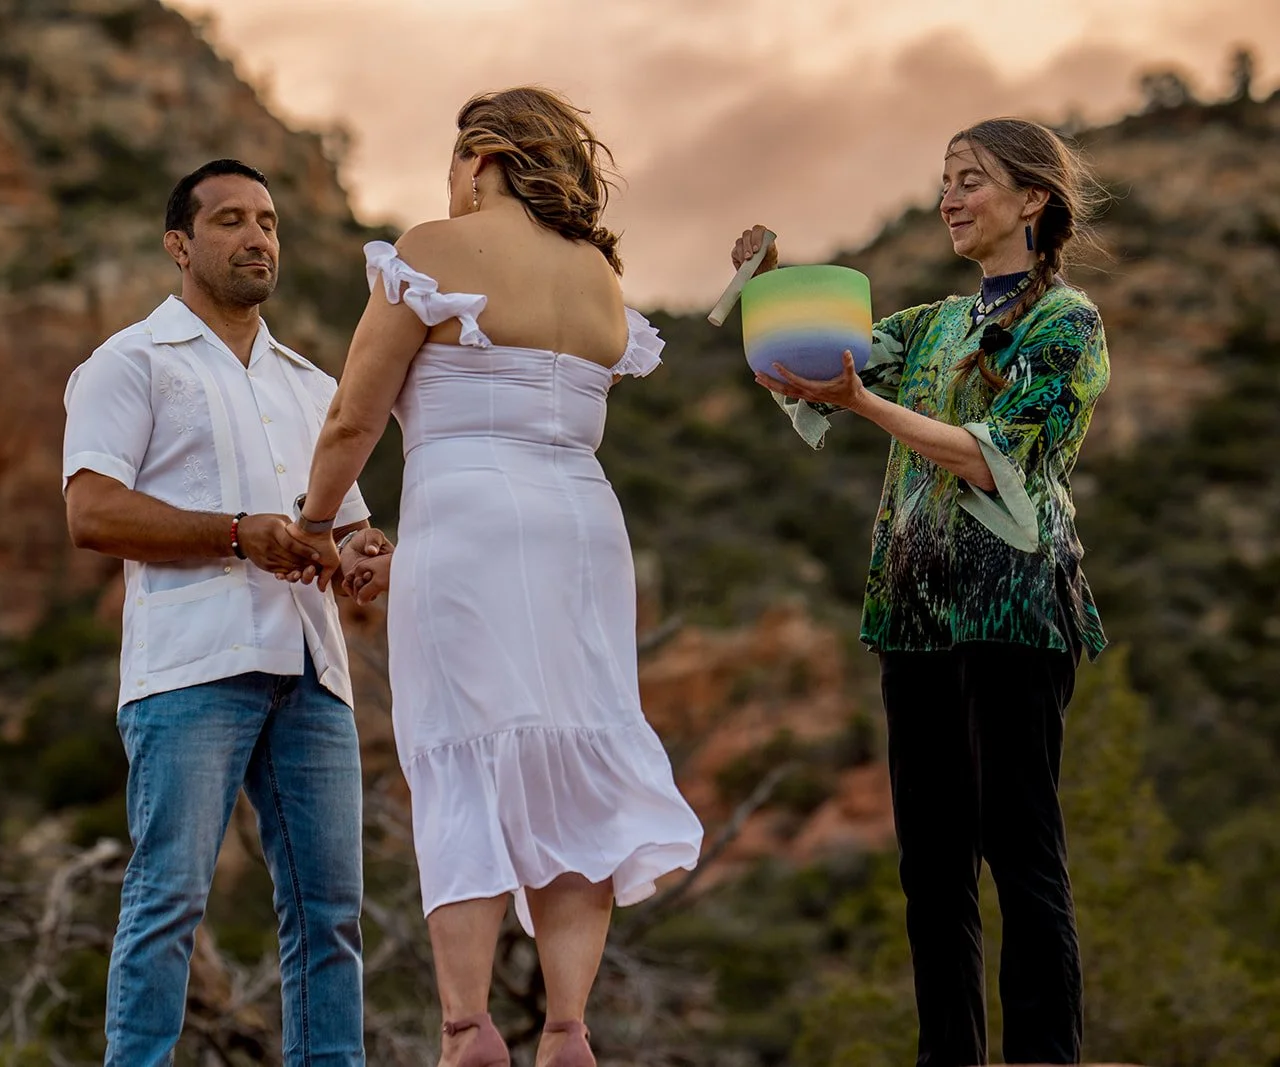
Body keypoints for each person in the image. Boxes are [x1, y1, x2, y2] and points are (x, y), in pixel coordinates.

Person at [281, 88, 704, 1067]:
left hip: (469, 517)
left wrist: (314, 525)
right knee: (571, 752)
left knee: (460, 749)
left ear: (481, 161)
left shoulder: (433, 248)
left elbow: (351, 415)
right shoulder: (598, 277)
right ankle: (566, 1025)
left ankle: (466, 1025)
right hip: (586, 527)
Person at [731, 117, 1110, 1067]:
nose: (949, 196)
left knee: (1022, 857)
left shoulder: (1069, 323)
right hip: (915, 614)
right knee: (930, 869)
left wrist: (866, 406)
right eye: (944, 179)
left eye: (970, 179)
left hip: (1015, 612)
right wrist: (774, 282)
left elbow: (998, 460)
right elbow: (824, 365)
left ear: (1033, 199)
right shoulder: (934, 323)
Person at [61, 158, 389, 1067]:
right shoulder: (128, 363)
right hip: (189, 668)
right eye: (232, 220)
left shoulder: (312, 384)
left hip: (313, 673)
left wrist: (364, 554)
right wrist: (240, 534)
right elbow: (91, 513)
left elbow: (351, 532)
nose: (258, 238)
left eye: (271, 222)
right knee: (168, 898)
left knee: (330, 915)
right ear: (180, 244)